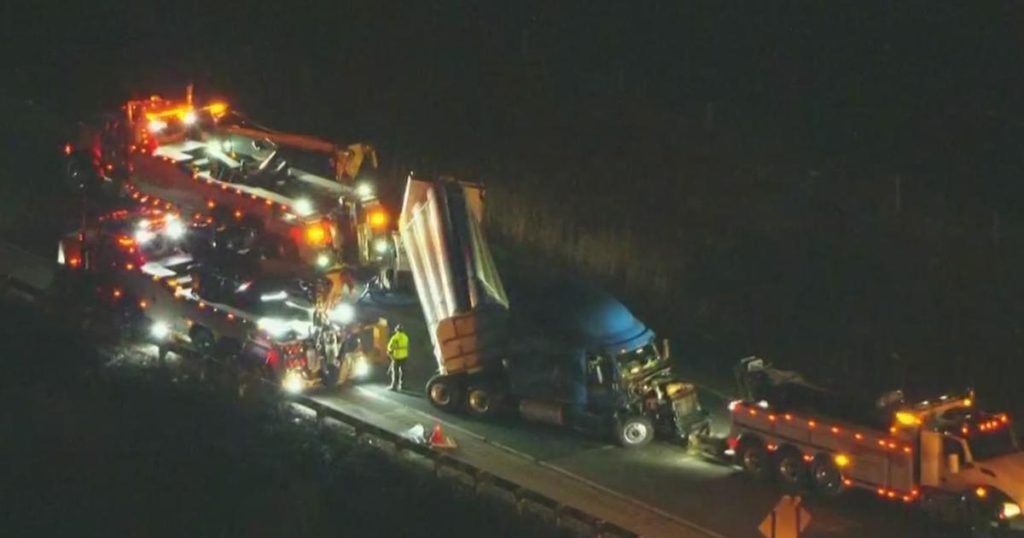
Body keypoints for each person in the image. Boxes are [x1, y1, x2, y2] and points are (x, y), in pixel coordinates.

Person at [387, 324, 409, 391]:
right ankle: (402, 385)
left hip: (396, 357)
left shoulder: (395, 337)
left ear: (396, 330)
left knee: (395, 371)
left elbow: (390, 347)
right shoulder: (406, 337)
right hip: (404, 356)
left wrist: (390, 351)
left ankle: (394, 386)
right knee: (402, 371)